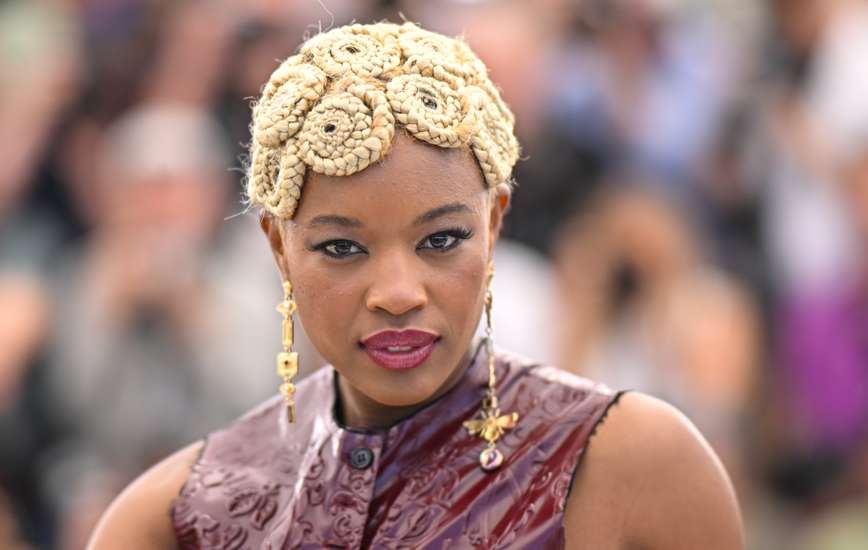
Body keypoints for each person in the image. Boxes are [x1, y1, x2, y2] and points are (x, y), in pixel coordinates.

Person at [87, 22, 743, 549]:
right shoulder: (174, 519)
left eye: (441, 240)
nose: (397, 292)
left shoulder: (632, 465)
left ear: (494, 224)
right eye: (342, 248)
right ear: (279, 247)